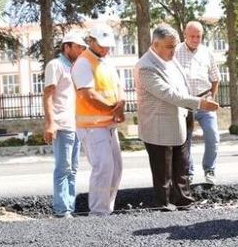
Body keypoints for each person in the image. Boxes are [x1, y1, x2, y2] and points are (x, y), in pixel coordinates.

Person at [134, 24, 220, 210]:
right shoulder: (146, 66)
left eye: (174, 46)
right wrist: (199, 103)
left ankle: (182, 200)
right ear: (155, 44)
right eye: (169, 47)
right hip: (159, 125)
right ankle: (163, 204)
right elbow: (168, 94)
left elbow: (182, 85)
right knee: (163, 170)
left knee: (181, 165)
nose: (174, 50)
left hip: (180, 119)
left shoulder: (170, 59)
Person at [71, 28, 125, 216]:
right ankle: (98, 213)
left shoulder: (106, 62)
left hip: (108, 124)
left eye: (108, 47)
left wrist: (121, 104)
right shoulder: (83, 63)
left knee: (116, 169)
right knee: (103, 167)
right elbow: (88, 95)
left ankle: (106, 209)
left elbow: (118, 86)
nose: (106, 50)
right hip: (92, 127)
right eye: (103, 46)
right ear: (91, 41)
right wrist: (113, 108)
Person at [43, 34, 88, 217]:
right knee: (63, 169)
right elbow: (48, 95)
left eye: (83, 47)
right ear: (66, 47)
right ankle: (62, 210)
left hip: (75, 124)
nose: (81, 50)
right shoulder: (55, 65)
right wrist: (50, 123)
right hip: (62, 124)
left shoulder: (74, 67)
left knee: (73, 169)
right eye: (78, 47)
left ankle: (69, 207)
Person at [175, 21, 220, 186]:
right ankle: (188, 172)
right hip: (184, 102)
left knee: (213, 136)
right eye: (192, 36)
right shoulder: (176, 51)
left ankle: (210, 169)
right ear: (185, 35)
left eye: (198, 36)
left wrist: (212, 98)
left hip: (204, 100)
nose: (195, 39)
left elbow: (215, 79)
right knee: (184, 139)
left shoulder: (207, 53)